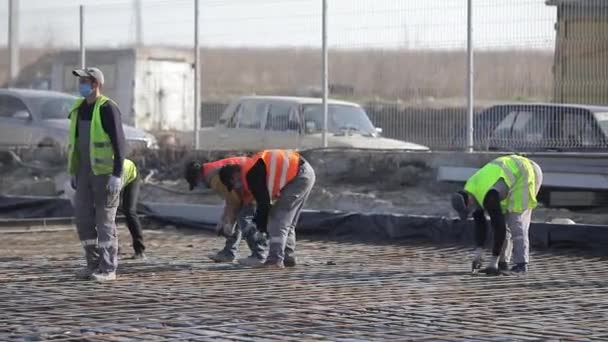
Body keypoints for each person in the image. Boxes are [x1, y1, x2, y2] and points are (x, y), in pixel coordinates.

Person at [68, 67, 126, 282]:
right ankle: (92, 265)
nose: (80, 85)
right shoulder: (79, 108)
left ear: (95, 84)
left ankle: (108, 268)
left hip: (104, 174)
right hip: (83, 172)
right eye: (80, 81)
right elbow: (75, 144)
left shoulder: (107, 108)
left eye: (84, 81)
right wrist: (74, 172)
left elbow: (120, 144)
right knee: (83, 220)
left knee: (104, 222)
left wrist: (117, 174)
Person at [219, 149, 316, 268]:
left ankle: (275, 260)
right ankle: (287, 256)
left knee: (277, 220)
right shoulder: (251, 168)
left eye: (232, 184)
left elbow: (264, 204)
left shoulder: (252, 174)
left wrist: (262, 227)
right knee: (287, 221)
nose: (236, 187)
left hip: (298, 176)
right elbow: (254, 202)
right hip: (303, 172)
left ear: (233, 176)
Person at [451, 154, 543, 275]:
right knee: (504, 219)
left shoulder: (489, 195)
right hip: (508, 179)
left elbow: (498, 227)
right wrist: (479, 251)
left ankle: (521, 265)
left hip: (525, 171)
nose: (470, 212)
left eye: (468, 210)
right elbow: (480, 224)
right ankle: (503, 264)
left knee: (515, 221)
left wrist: (492, 260)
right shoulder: (471, 191)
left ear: (469, 201)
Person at [185, 157, 267, 264]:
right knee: (239, 217)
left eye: (196, 183)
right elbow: (231, 199)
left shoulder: (214, 178)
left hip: (255, 186)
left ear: (198, 177)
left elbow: (235, 202)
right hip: (252, 183)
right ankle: (229, 253)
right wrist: (224, 220)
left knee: (244, 219)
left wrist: (229, 223)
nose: (198, 186)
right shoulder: (212, 171)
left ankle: (259, 254)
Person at [70, 158, 146, 260]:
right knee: (104, 211)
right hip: (111, 175)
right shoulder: (85, 176)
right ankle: (114, 248)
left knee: (128, 210)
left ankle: (139, 250)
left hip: (129, 174)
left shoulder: (99, 177)